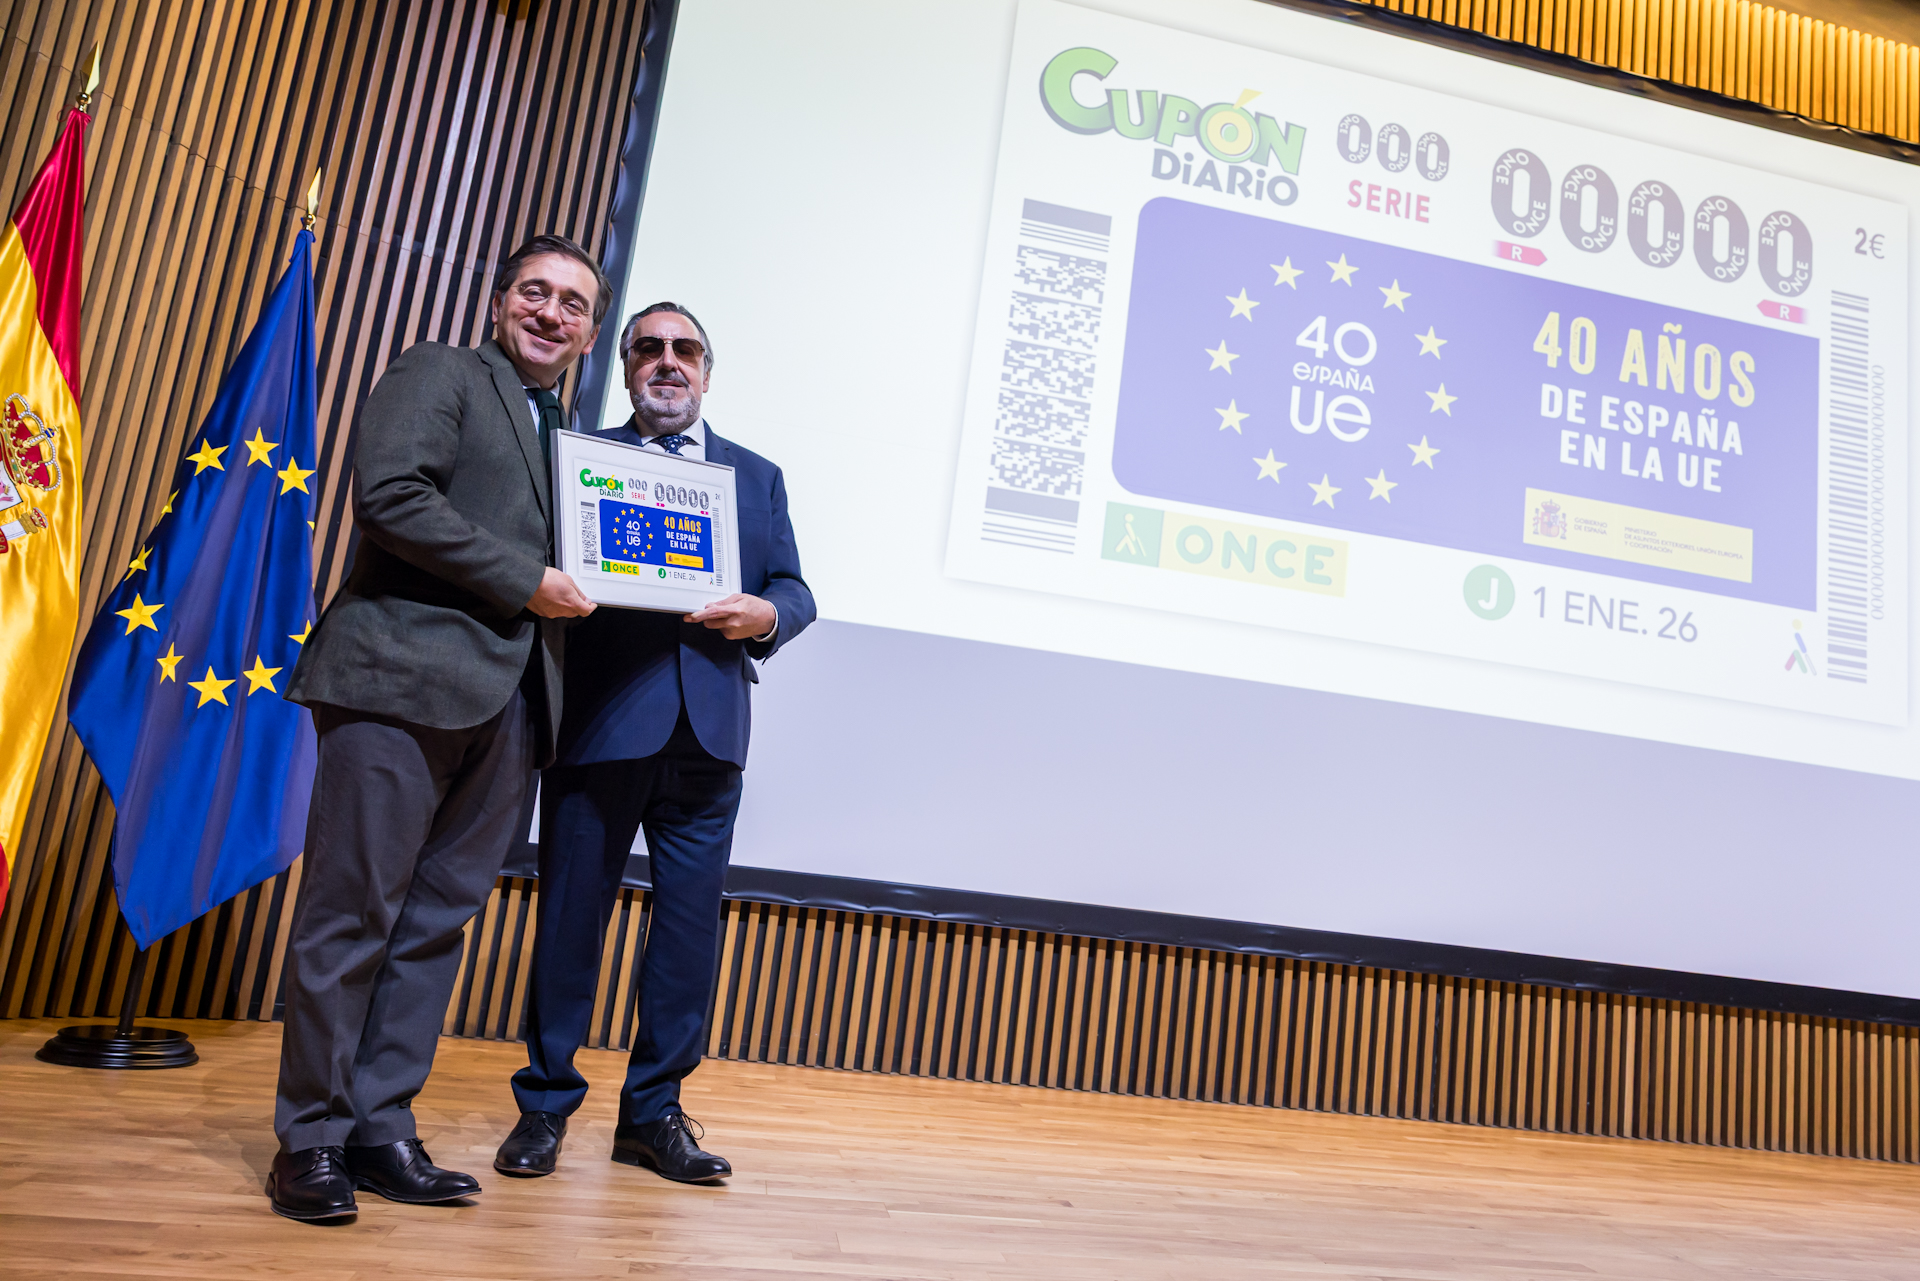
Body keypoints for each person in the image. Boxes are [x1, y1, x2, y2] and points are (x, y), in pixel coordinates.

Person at [267, 235, 606, 1221]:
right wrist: (524, 581)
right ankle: (312, 1141)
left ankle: (379, 1126)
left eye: (573, 304)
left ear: (589, 332)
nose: (551, 313)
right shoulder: (442, 371)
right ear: (499, 302)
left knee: (432, 928)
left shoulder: (570, 439)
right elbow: (391, 498)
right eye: (535, 293)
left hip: (511, 704)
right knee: (352, 915)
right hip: (398, 682)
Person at [494, 302, 814, 1183]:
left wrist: (767, 614)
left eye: (686, 351)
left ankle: (653, 1115)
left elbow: (794, 585)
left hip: (709, 738)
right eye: (649, 349)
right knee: (568, 925)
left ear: (708, 372)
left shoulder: (757, 476)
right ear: (625, 366)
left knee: (684, 937)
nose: (667, 363)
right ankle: (544, 1107)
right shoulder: (579, 461)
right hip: (601, 725)